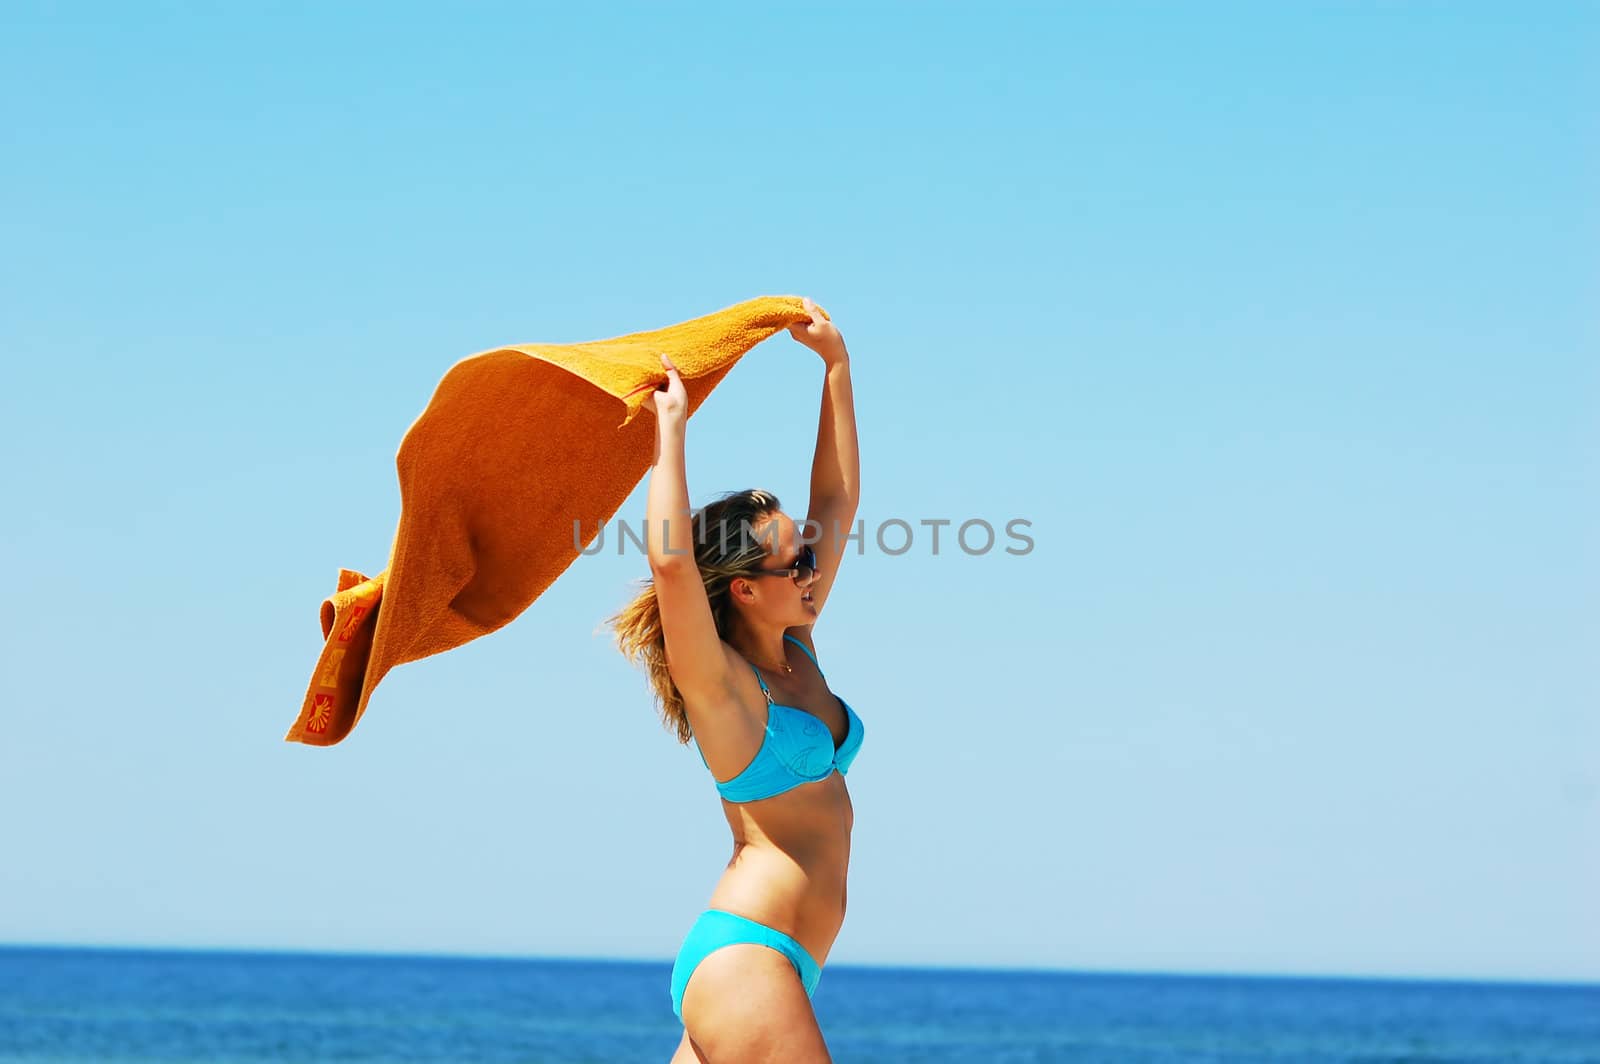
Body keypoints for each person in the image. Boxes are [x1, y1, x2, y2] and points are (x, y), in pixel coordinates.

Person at [608, 296, 861, 1062]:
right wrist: (670, 434)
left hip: (782, 963)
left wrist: (836, 366)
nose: (816, 569)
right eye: (798, 563)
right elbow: (670, 563)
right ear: (746, 587)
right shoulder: (721, 687)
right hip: (750, 958)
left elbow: (837, 498)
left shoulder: (800, 643)